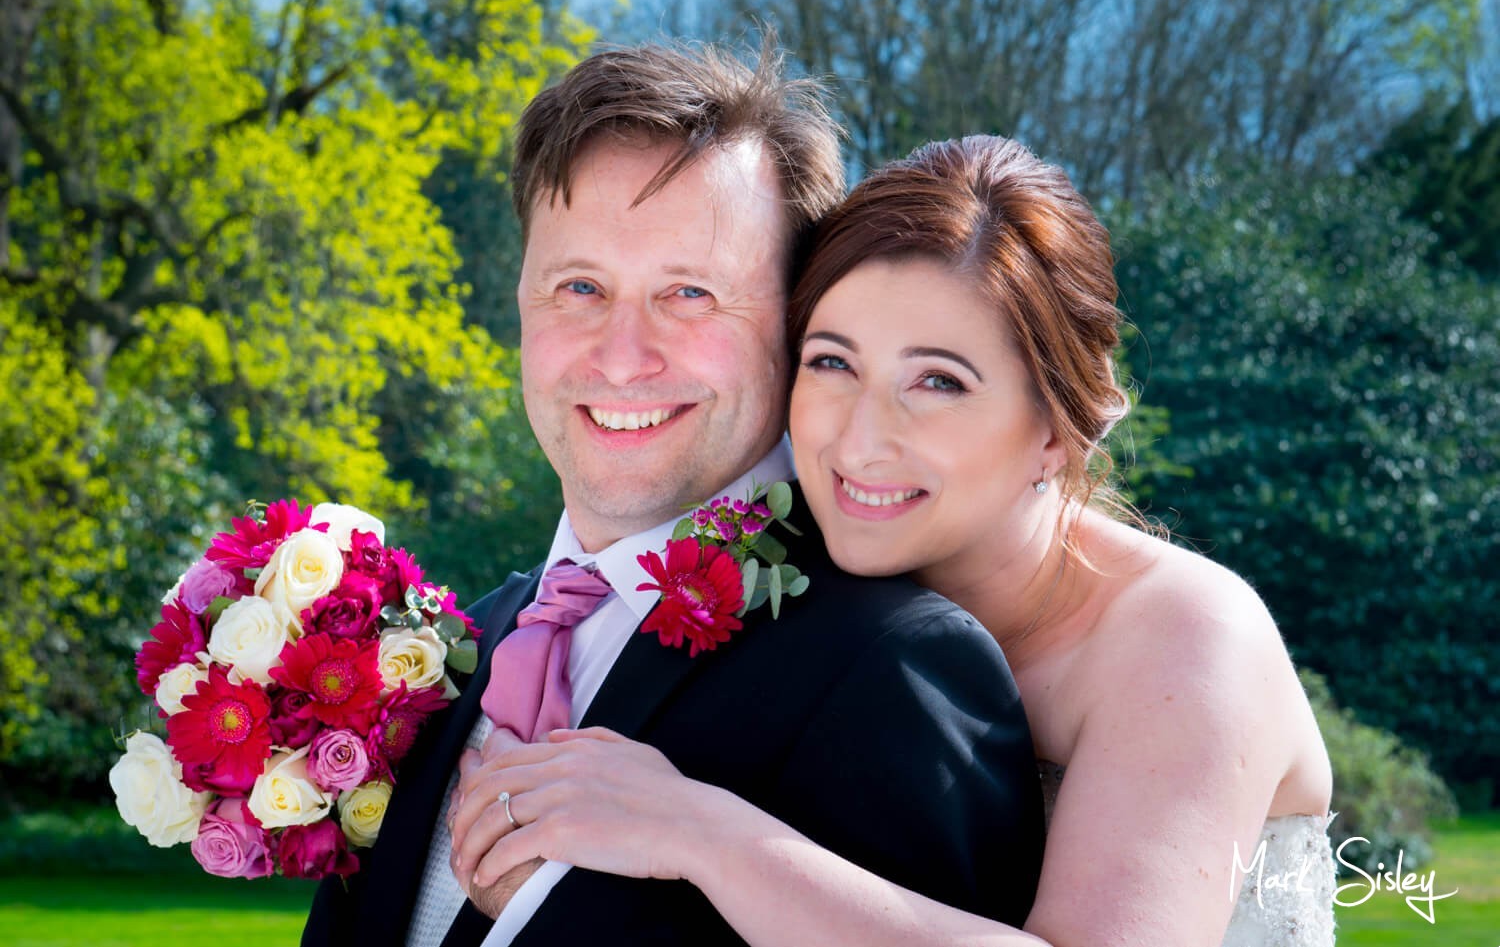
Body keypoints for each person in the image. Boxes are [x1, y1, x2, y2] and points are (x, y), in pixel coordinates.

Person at [445, 135, 1338, 947]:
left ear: (1060, 428)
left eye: (939, 382)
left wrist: (699, 831)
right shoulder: (783, 595)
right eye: (832, 362)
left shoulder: (1187, 639)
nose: (861, 438)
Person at [301, 50, 1046, 947]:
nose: (621, 356)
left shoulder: (895, 665)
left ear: (795, 322)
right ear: (522, 306)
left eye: (690, 294)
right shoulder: (455, 652)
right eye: (580, 287)